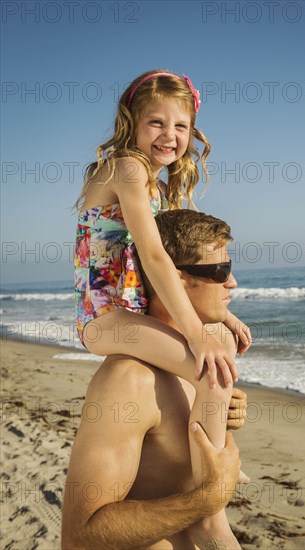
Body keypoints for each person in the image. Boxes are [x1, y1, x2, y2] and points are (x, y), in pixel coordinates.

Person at [73, 70, 251, 539]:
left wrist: (222, 315)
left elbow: (181, 262)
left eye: (181, 126)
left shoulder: (155, 183)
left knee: (219, 350)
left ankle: (211, 465)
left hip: (128, 314)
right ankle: (211, 501)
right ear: (132, 122)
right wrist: (195, 333)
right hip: (106, 318)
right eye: (156, 123)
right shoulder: (125, 169)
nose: (170, 136)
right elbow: (153, 256)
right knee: (210, 366)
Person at [62, 209, 247, 549]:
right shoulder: (129, 381)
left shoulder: (203, 364)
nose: (232, 282)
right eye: (221, 271)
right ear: (175, 279)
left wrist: (228, 419)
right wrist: (204, 502)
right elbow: (79, 537)